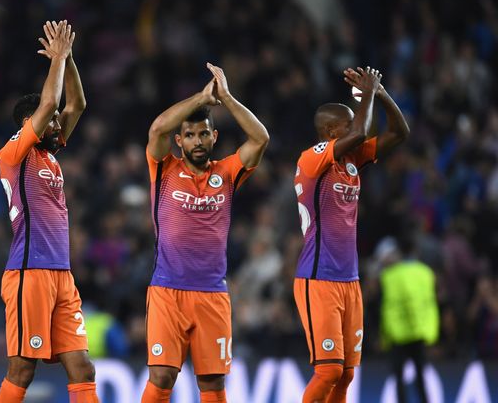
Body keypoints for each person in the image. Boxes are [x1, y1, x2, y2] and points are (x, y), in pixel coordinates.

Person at [141, 63, 270, 402]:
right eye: (190, 135)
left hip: (212, 293)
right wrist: (201, 97)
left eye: (203, 134)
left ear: (214, 137)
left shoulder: (227, 173)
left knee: (212, 383)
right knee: (162, 375)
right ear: (180, 140)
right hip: (167, 290)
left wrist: (226, 98)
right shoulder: (164, 168)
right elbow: (157, 129)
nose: (197, 141)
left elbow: (260, 138)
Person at [0, 20, 97, 403]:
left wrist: (67, 60)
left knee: (83, 367)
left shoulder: (48, 155)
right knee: (22, 368)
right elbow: (52, 103)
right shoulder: (14, 153)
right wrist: (55, 57)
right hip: (28, 272)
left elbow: (77, 104)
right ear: (29, 123)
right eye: (49, 121)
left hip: (60, 274)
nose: (58, 124)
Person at [292, 67, 410, 403]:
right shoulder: (313, 159)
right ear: (330, 132)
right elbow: (359, 131)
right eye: (345, 124)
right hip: (319, 279)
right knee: (328, 370)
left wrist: (382, 93)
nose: (357, 127)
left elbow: (400, 132)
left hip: (349, 279)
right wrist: (368, 92)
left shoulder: (351, 160)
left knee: (345, 374)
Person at [378, 232, 438, 403]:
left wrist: (384, 336)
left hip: (398, 334)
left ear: (399, 252)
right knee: (420, 378)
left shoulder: (389, 276)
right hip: (420, 332)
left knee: (398, 379)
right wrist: (431, 332)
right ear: (415, 250)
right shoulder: (426, 273)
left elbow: (386, 307)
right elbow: (430, 303)